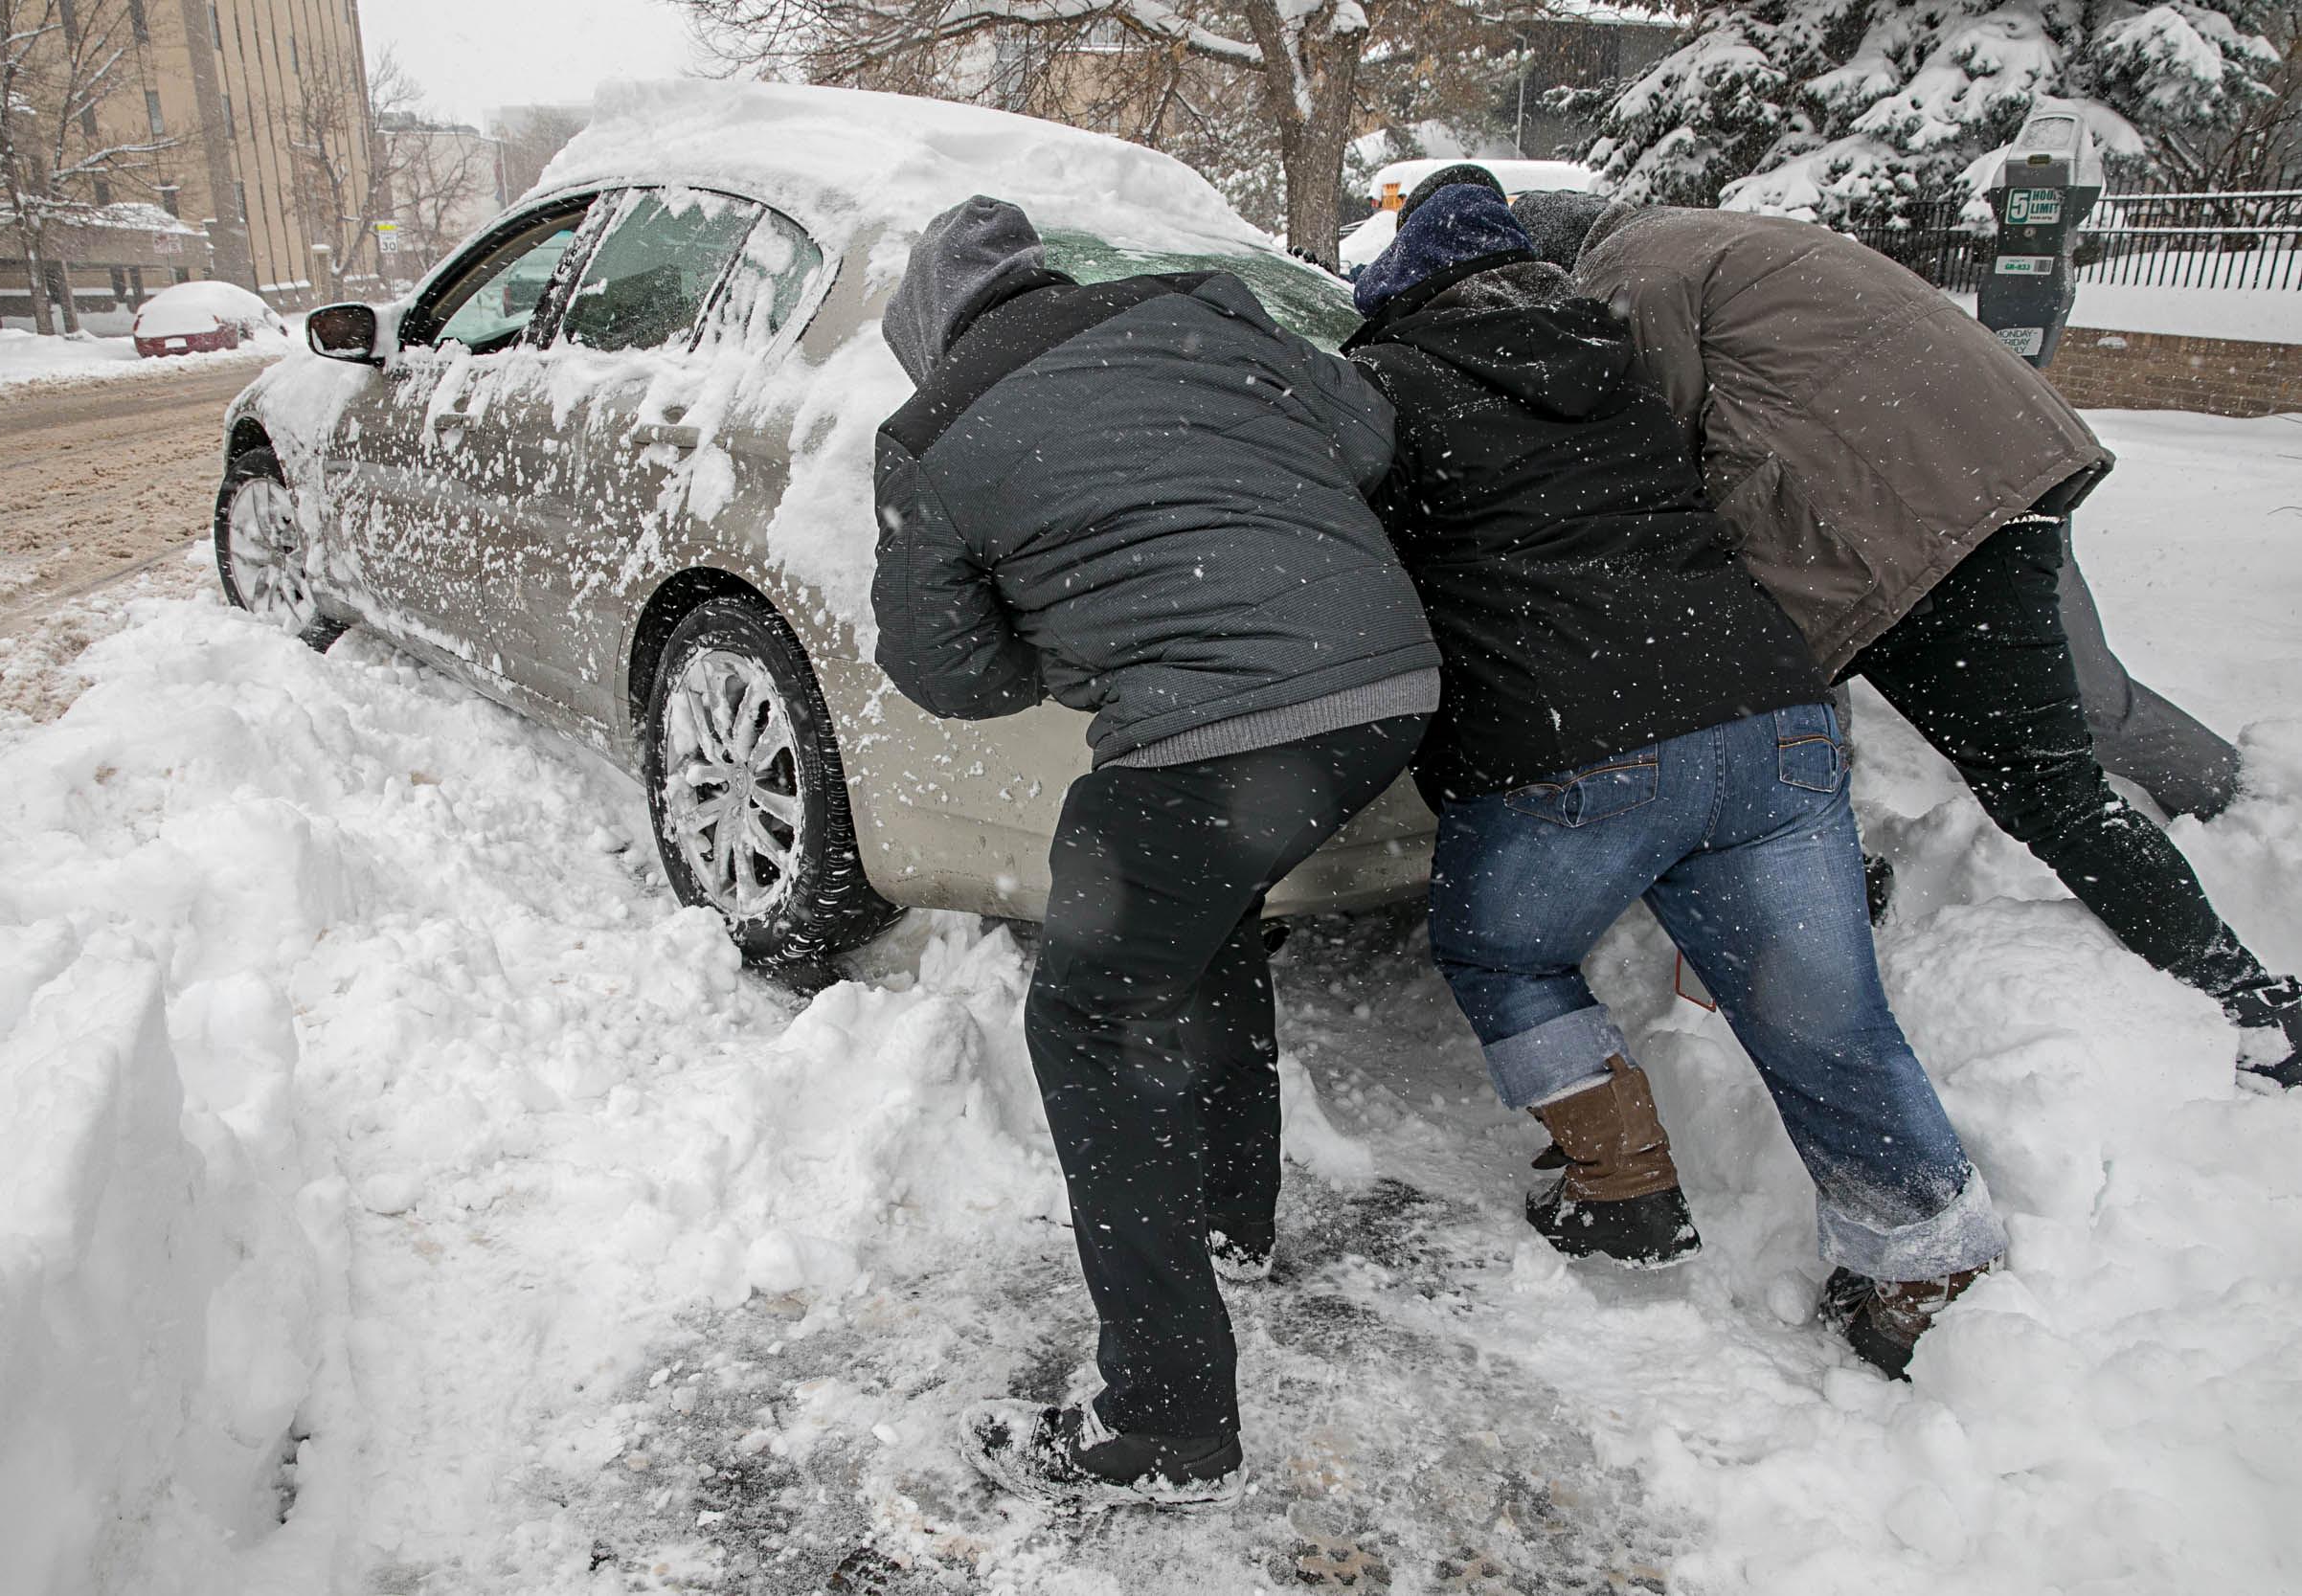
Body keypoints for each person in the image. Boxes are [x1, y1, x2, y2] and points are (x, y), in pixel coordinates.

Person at [1345, 186, 2010, 1378]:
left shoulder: (1395, 391)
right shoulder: (1627, 369)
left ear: (1400, 293)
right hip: (1767, 716)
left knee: (1499, 948)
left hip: (1573, 738)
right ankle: (1926, 1260)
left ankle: (1621, 1183)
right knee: (1826, 1016)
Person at [871, 195, 1439, 1510]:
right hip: (1389, 685)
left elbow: (944, 670)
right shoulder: (1191, 305)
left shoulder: (929, 431)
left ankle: (1167, 1416)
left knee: (1088, 1011)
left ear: (926, 329)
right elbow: (1365, 432)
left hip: (1215, 729)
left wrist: (1064, 629)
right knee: (1200, 925)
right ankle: (1232, 1227)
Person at [1492, 179, 2298, 1090]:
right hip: (1997, 463)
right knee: (1833, 683)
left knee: (2044, 786)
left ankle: (2254, 1002)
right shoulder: (1717, 236)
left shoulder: (1631, 273)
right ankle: (1844, 874)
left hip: (1918, 518)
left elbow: (1654, 459)